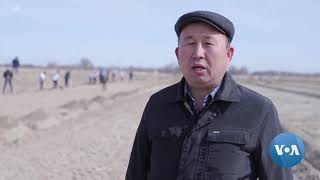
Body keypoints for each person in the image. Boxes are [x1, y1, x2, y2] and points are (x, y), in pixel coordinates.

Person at [125, 11, 293, 180]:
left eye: (208, 43)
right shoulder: (158, 104)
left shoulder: (260, 110)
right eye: (190, 43)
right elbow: (135, 172)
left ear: (229, 54)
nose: (198, 53)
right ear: (177, 54)